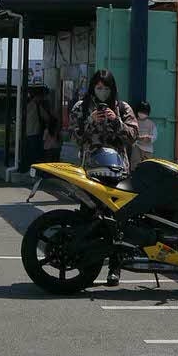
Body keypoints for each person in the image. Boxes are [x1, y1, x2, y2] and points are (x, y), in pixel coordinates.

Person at [70, 69, 140, 285]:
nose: (102, 92)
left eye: (106, 88)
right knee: (88, 217)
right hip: (90, 171)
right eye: (98, 88)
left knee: (117, 220)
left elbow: (133, 135)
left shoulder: (122, 107)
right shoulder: (81, 108)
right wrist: (90, 121)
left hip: (118, 171)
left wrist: (116, 121)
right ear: (92, 88)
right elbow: (75, 136)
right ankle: (86, 266)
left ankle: (115, 267)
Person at [132, 99, 157, 167]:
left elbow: (154, 136)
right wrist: (138, 138)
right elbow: (131, 134)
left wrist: (149, 138)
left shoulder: (151, 124)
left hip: (148, 149)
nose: (143, 114)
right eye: (141, 111)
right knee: (135, 164)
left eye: (145, 112)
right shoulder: (134, 122)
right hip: (136, 146)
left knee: (147, 165)